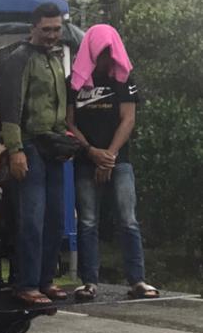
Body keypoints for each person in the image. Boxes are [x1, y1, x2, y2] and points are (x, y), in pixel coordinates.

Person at [67, 24, 158, 301]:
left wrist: (109, 156)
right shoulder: (74, 81)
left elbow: (128, 119)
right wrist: (91, 151)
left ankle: (137, 280)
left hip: (119, 160)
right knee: (87, 221)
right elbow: (69, 122)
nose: (106, 58)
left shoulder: (124, 79)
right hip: (86, 160)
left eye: (110, 51)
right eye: (101, 52)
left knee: (128, 219)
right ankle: (89, 282)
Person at [0, 2, 70, 306]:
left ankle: (45, 280)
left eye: (57, 29)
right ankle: (26, 283)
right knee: (32, 218)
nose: (52, 35)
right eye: (47, 29)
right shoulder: (19, 58)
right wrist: (15, 150)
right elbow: (10, 109)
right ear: (33, 28)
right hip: (28, 145)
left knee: (55, 218)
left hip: (54, 145)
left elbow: (58, 105)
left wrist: (65, 140)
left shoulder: (55, 59)